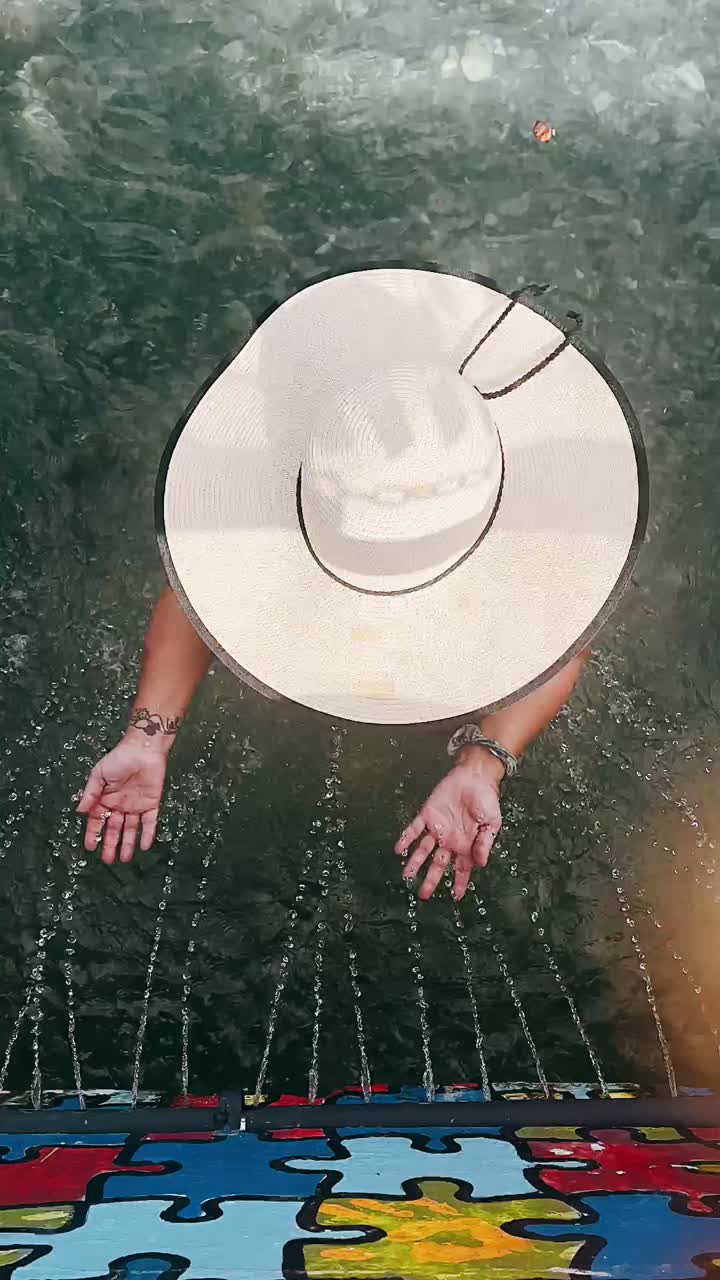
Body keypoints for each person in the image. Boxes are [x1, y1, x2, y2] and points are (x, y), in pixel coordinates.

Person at [78, 266, 646, 901]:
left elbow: (561, 635)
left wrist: (484, 761)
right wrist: (146, 737)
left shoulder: (521, 526)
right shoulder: (326, 476)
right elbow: (205, 595)